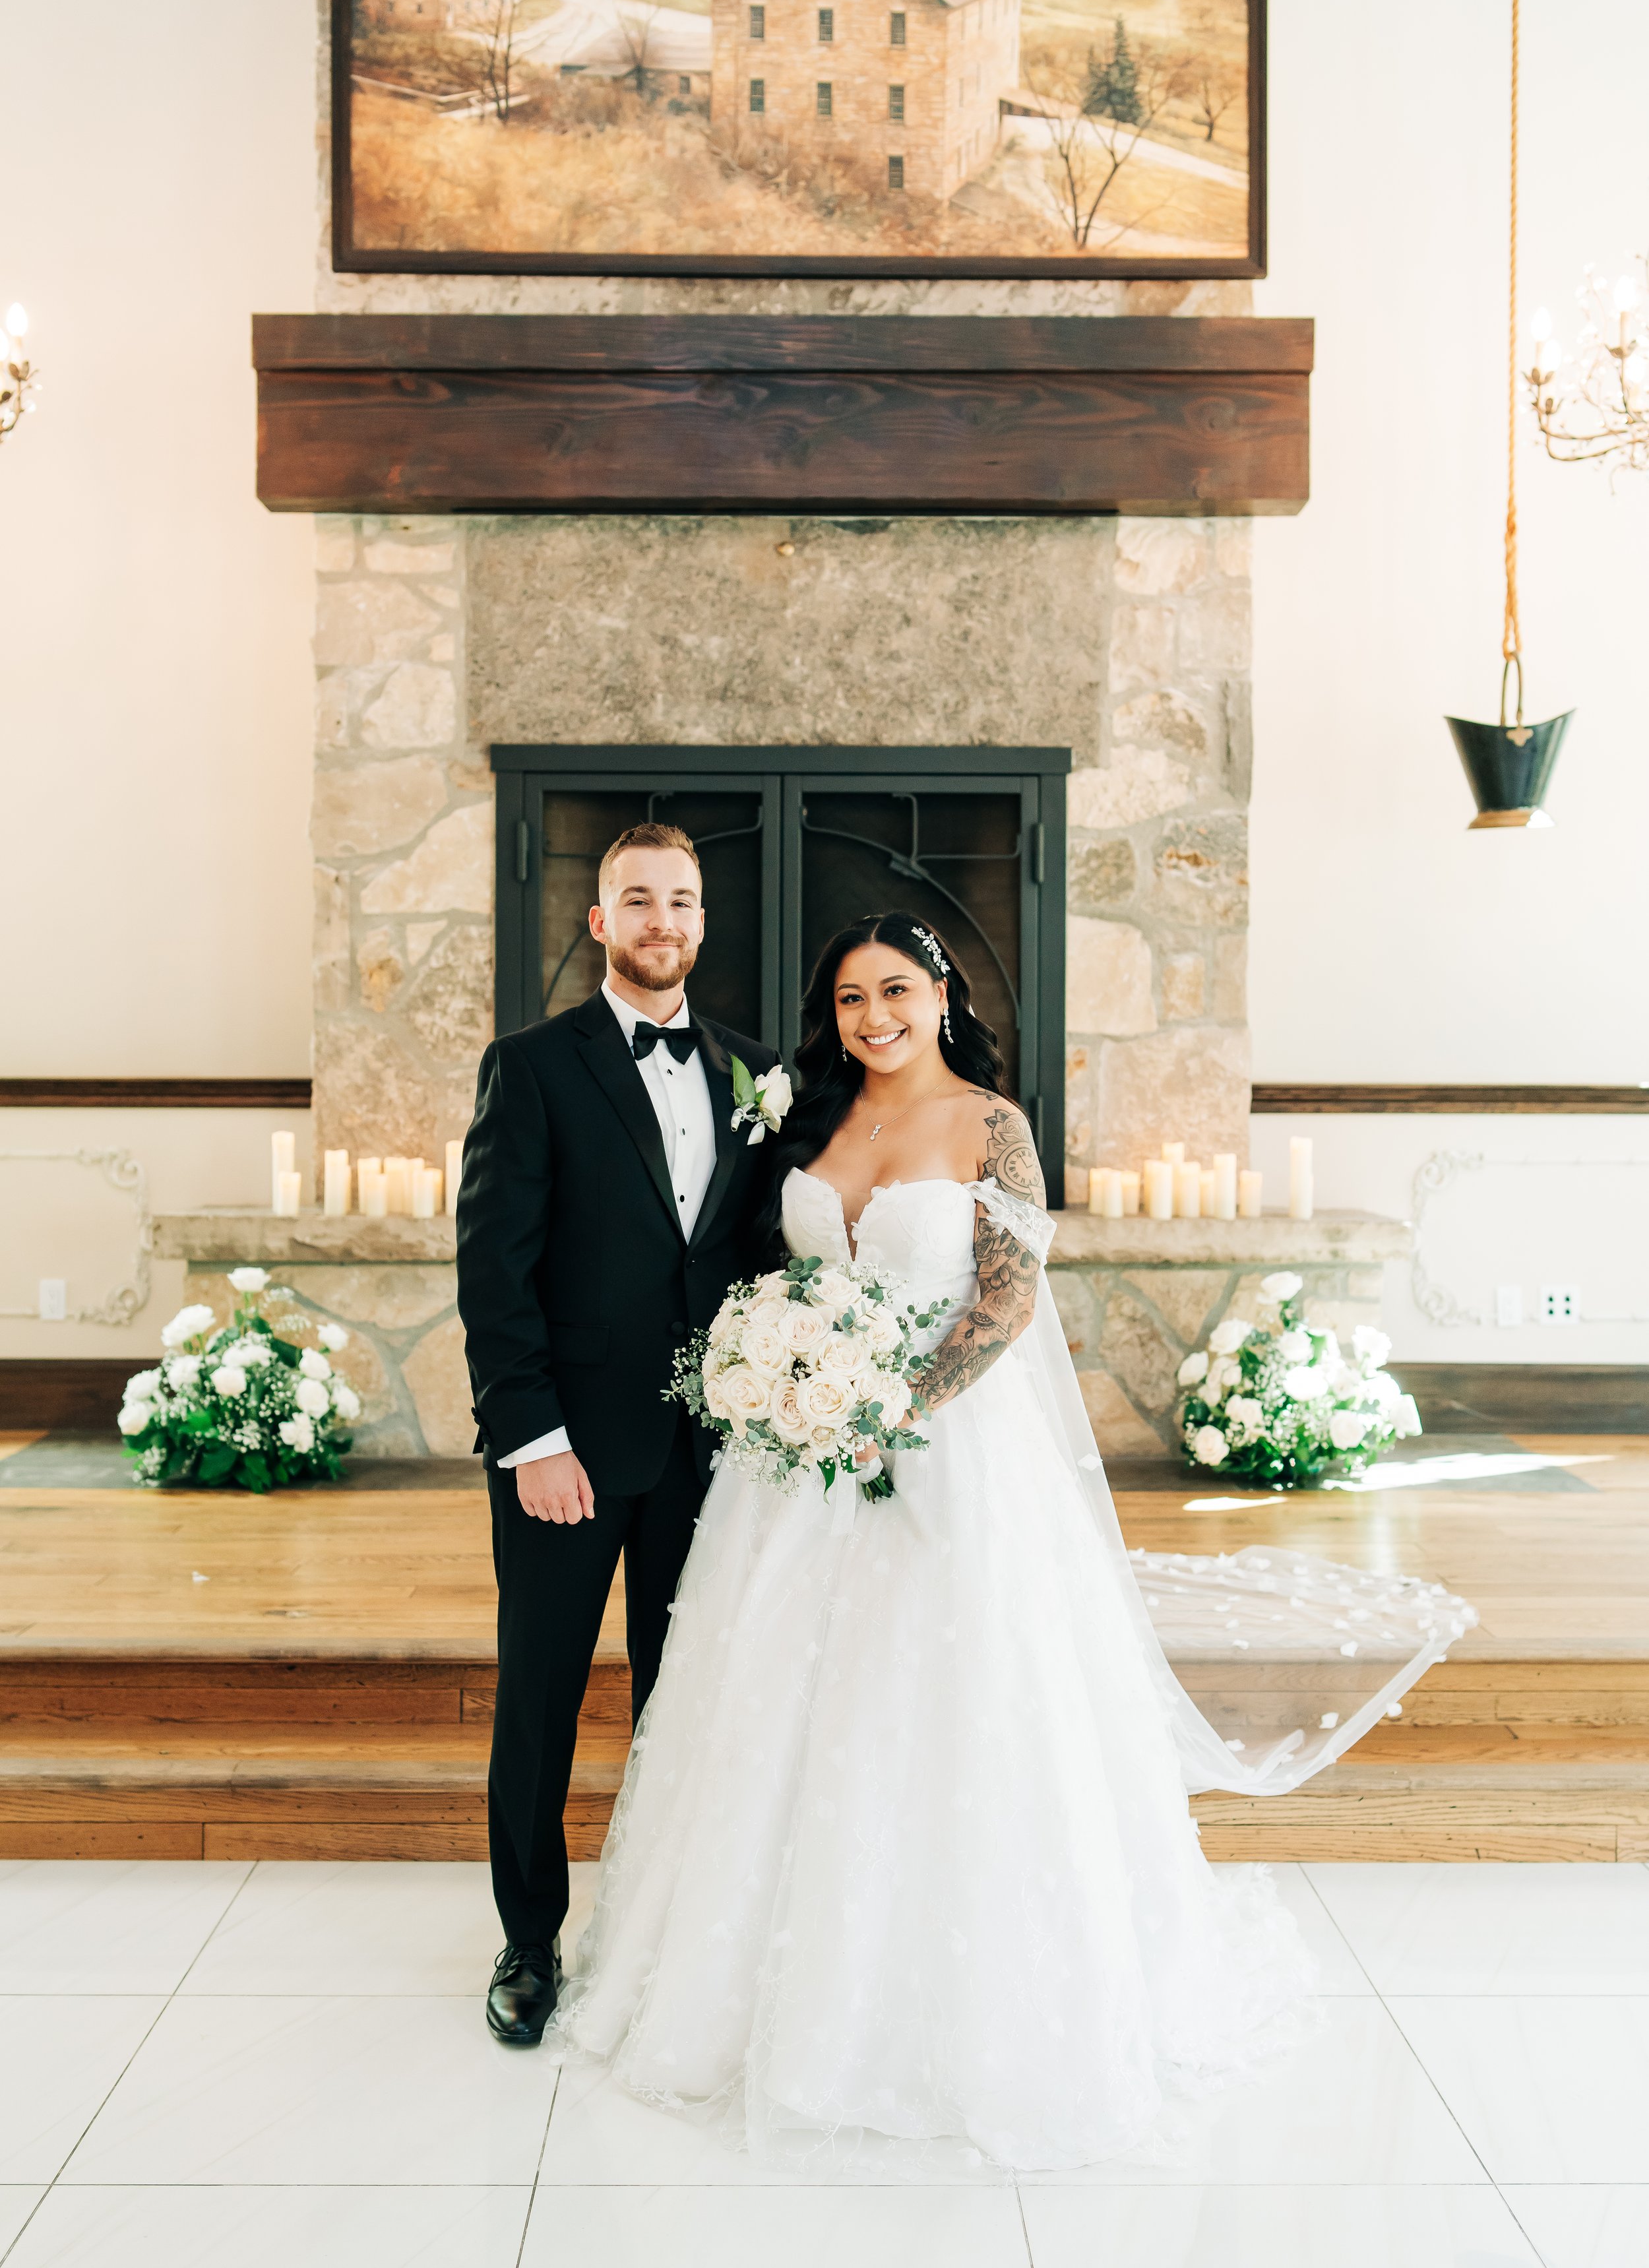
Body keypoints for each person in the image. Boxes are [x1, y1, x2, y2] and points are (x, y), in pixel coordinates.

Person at [550, 911, 1470, 2175]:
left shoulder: (994, 1127)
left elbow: (1005, 1297)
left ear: (942, 992)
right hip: (796, 1469)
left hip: (950, 1458)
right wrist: (787, 1376)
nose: (873, 1016)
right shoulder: (809, 1124)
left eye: (896, 990)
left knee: (953, 1701)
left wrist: (890, 1405)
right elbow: (772, 1279)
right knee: (773, 1709)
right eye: (851, 997)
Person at [456, 822, 780, 2048]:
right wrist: (531, 1439)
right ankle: (529, 1939)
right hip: (568, 1456)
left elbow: (754, 1260)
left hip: (713, 1455)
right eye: (636, 899)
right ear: (600, 922)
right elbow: (496, 1267)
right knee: (540, 1695)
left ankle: (657, 1932)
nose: (661, 920)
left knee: (681, 1695)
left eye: (681, 901)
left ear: (704, 923)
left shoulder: (753, 1073)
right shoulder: (533, 1066)